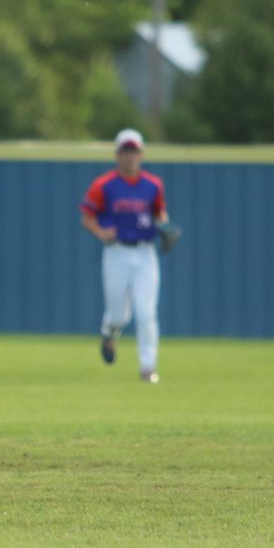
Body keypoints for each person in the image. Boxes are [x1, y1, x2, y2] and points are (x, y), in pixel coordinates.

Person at [79, 128, 170, 384]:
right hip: (117, 251)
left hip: (144, 252)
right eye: (125, 151)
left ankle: (147, 368)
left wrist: (165, 227)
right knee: (119, 314)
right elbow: (87, 217)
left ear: (141, 154)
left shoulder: (153, 185)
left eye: (134, 151)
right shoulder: (104, 185)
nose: (130, 157)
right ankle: (109, 333)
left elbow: (159, 215)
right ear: (117, 155)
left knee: (146, 312)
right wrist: (100, 232)